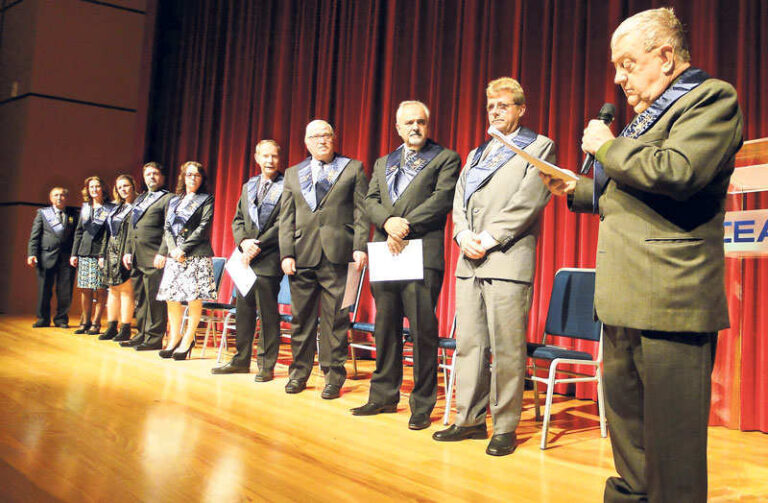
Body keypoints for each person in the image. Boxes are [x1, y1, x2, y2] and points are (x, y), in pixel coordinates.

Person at [540, 8, 743, 501]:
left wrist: (607, 149)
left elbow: (678, 172)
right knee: (629, 440)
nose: (618, 78)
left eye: (627, 64)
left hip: (672, 301)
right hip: (623, 299)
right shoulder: (643, 120)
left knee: (672, 452)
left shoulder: (711, 99)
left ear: (666, 56)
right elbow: (633, 191)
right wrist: (575, 189)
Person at [432, 77, 555, 456]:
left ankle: (504, 427)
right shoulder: (476, 153)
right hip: (468, 262)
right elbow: (458, 200)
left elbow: (529, 201)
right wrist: (461, 234)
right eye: (490, 106)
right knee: (469, 345)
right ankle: (468, 419)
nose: (495, 112)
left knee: (507, 349)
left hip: (506, 260)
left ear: (521, 109)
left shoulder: (539, 146)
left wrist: (486, 239)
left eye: (503, 105)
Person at [350, 101, 460, 430]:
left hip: (421, 253)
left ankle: (422, 404)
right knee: (386, 328)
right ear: (398, 128)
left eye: (421, 121)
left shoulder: (445, 157)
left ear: (428, 125)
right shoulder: (384, 162)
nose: (415, 127)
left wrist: (403, 226)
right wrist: (387, 223)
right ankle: (383, 395)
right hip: (387, 252)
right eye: (409, 122)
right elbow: (370, 200)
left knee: (423, 331)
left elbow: (442, 199)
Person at [279, 119, 369, 399]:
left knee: (336, 320)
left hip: (340, 254)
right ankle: (298, 373)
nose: (322, 140)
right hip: (302, 254)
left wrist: (360, 246)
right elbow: (286, 217)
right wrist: (286, 253)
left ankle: (333, 376)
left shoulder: (352, 168)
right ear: (306, 142)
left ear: (334, 138)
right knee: (301, 319)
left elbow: (361, 211)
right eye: (316, 136)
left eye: (326, 135)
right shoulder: (293, 173)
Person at [212, 140, 284, 380]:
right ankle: (241, 359)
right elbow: (238, 220)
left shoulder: (287, 186)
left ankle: (266, 364)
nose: (270, 160)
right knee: (243, 311)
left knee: (268, 314)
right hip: (246, 259)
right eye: (265, 156)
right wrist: (244, 242)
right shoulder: (249, 185)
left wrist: (257, 245)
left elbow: (283, 224)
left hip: (269, 258)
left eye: (274, 156)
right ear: (257, 158)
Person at [156, 161, 217, 360]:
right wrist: (173, 249)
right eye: (189, 174)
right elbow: (167, 228)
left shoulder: (206, 199)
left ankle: (188, 339)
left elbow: (204, 226)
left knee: (193, 298)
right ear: (183, 177)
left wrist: (183, 248)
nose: (193, 178)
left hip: (196, 254)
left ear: (202, 179)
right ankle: (175, 337)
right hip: (175, 255)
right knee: (172, 297)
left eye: (197, 175)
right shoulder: (174, 200)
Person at [120, 162, 173, 351]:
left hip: (154, 256)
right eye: (148, 174)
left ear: (162, 177)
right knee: (141, 300)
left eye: (155, 173)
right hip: (136, 256)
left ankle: (154, 338)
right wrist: (128, 250)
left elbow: (169, 228)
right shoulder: (140, 198)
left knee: (154, 300)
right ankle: (141, 333)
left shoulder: (168, 198)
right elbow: (131, 226)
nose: (151, 176)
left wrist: (163, 252)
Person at [27, 187, 78, 328]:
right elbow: (35, 236)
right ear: (50, 198)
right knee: (44, 290)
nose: (59, 197)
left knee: (65, 291)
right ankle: (43, 319)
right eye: (56, 195)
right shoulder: (43, 213)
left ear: (66, 198)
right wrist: (32, 254)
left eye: (62, 195)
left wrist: (75, 254)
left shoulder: (74, 214)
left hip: (67, 258)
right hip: (46, 256)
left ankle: (61, 319)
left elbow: (76, 236)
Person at [70, 176, 114, 335]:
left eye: (97, 186)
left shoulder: (110, 208)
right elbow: (79, 232)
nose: (94, 189)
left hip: (101, 254)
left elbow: (110, 233)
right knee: (85, 289)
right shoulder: (85, 208)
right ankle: (85, 322)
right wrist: (74, 253)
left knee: (101, 289)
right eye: (91, 187)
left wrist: (104, 254)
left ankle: (96, 322)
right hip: (84, 251)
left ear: (103, 188)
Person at [97, 175, 137, 341]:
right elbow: (107, 233)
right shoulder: (116, 208)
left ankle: (125, 327)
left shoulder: (138, 206)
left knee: (126, 290)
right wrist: (102, 254)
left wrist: (128, 252)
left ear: (133, 186)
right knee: (112, 290)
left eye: (126, 185)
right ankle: (111, 326)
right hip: (110, 251)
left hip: (125, 251)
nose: (123, 189)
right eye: (120, 187)